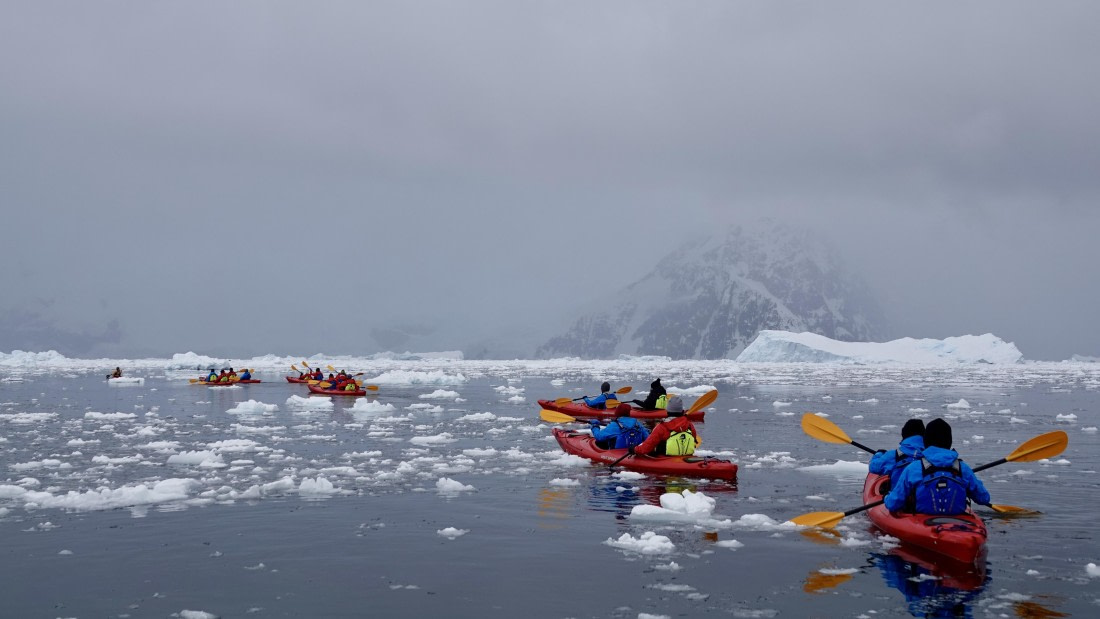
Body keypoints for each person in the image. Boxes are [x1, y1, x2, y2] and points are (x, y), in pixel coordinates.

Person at [885, 418, 991, 515]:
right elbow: (984, 498)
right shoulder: (963, 468)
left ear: (926, 442)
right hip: (957, 522)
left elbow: (893, 504)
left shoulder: (913, 468)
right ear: (949, 442)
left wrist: (886, 498)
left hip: (921, 522)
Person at [629, 395, 700, 456]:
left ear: (667, 411)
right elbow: (694, 441)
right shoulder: (689, 425)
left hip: (665, 457)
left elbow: (646, 447)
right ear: (681, 411)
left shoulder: (662, 427)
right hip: (685, 455)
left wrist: (634, 449)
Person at [869, 419, 925, 490]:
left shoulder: (894, 455)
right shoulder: (931, 455)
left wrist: (878, 454)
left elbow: (873, 467)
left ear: (905, 434)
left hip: (899, 498)